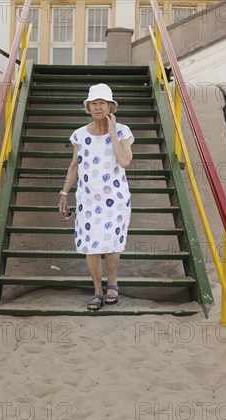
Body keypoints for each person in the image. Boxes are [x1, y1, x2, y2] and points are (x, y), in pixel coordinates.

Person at [58, 83, 134, 310]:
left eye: (102, 103)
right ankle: (97, 290)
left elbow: (125, 161)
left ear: (111, 106)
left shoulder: (122, 131)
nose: (97, 107)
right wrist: (64, 192)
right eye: (93, 103)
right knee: (91, 245)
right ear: (88, 107)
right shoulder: (79, 135)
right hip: (88, 198)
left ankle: (112, 282)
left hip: (116, 199)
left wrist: (111, 133)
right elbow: (74, 166)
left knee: (111, 243)